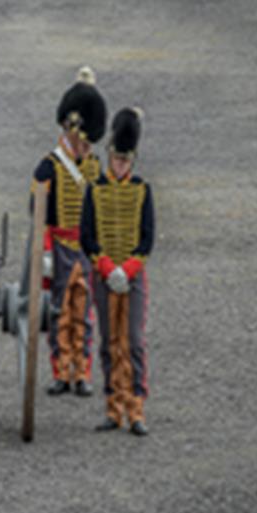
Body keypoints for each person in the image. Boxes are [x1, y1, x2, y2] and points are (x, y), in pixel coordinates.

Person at [32, 67, 107, 398]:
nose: (86, 147)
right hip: (61, 245)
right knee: (60, 312)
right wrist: (45, 249)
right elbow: (39, 214)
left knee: (85, 316)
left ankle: (83, 371)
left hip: (86, 248)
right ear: (71, 131)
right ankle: (61, 371)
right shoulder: (49, 167)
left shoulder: (94, 168)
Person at [80, 107, 155, 437]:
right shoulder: (95, 190)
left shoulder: (142, 190)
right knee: (109, 342)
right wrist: (106, 266)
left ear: (132, 160)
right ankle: (113, 406)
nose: (120, 165)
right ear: (110, 156)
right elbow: (87, 235)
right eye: (116, 159)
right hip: (105, 274)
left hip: (133, 275)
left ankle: (136, 408)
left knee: (134, 342)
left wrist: (130, 266)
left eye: (126, 160)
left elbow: (148, 235)